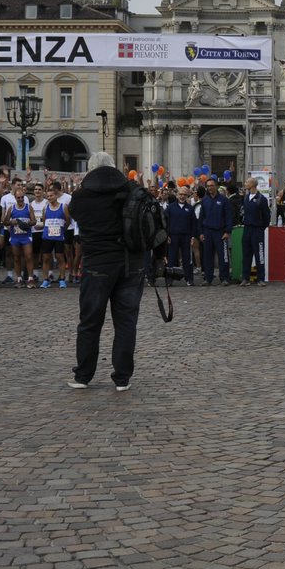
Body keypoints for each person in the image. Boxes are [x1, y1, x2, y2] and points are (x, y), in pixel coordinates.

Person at [68, 153, 145, 391]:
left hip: (97, 264)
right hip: (132, 263)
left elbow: (78, 220)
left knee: (90, 321)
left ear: (90, 171)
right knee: (126, 322)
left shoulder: (80, 197)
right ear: (114, 168)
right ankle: (122, 378)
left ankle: (83, 375)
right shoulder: (133, 190)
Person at [196, 179, 233, 285]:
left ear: (216, 186)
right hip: (207, 232)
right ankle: (208, 278)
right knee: (207, 256)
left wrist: (227, 231)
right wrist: (201, 233)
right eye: (208, 186)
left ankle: (224, 278)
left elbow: (228, 217)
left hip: (220, 232)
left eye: (212, 185)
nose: (210, 188)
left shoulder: (224, 200)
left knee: (223, 256)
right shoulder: (204, 201)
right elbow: (201, 218)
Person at [240, 177, 271, 286]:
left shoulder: (261, 199)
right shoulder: (246, 197)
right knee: (246, 255)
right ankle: (245, 278)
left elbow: (267, 216)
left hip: (257, 230)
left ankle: (260, 278)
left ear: (252, 185)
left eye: (247, 182)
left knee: (259, 255)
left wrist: (261, 227)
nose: (245, 183)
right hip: (247, 229)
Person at [163, 184, 197, 285]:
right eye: (180, 194)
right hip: (173, 236)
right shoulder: (170, 208)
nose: (182, 196)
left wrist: (193, 236)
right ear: (177, 195)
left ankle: (189, 279)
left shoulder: (190, 208)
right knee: (172, 258)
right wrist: (167, 235)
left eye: (184, 194)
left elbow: (193, 223)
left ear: (187, 196)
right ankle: (169, 280)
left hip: (186, 236)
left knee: (187, 259)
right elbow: (165, 222)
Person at [40, 180, 70, 288]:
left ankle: (62, 278)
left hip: (59, 236)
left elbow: (68, 221)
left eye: (51, 196)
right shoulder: (45, 208)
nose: (49, 198)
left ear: (56, 196)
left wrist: (62, 229)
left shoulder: (63, 207)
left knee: (60, 257)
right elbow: (44, 222)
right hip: (47, 236)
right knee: (46, 258)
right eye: (47, 196)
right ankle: (46, 279)